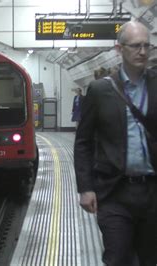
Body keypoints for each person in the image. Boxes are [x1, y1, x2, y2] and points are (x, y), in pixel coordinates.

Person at [74, 21, 157, 266]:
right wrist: (85, 187)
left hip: (153, 191)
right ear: (119, 49)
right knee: (117, 256)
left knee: (149, 258)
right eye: (135, 46)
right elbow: (83, 143)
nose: (142, 52)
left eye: (147, 46)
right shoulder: (99, 90)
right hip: (114, 191)